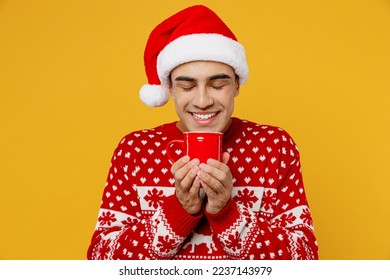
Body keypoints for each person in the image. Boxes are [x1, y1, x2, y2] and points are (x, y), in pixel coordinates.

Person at [87, 5, 318, 260]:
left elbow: (305, 258)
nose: (202, 100)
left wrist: (226, 213)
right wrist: (180, 210)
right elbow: (101, 257)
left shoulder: (274, 147)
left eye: (217, 85)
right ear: (171, 90)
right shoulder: (135, 150)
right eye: (186, 86)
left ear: (237, 85)